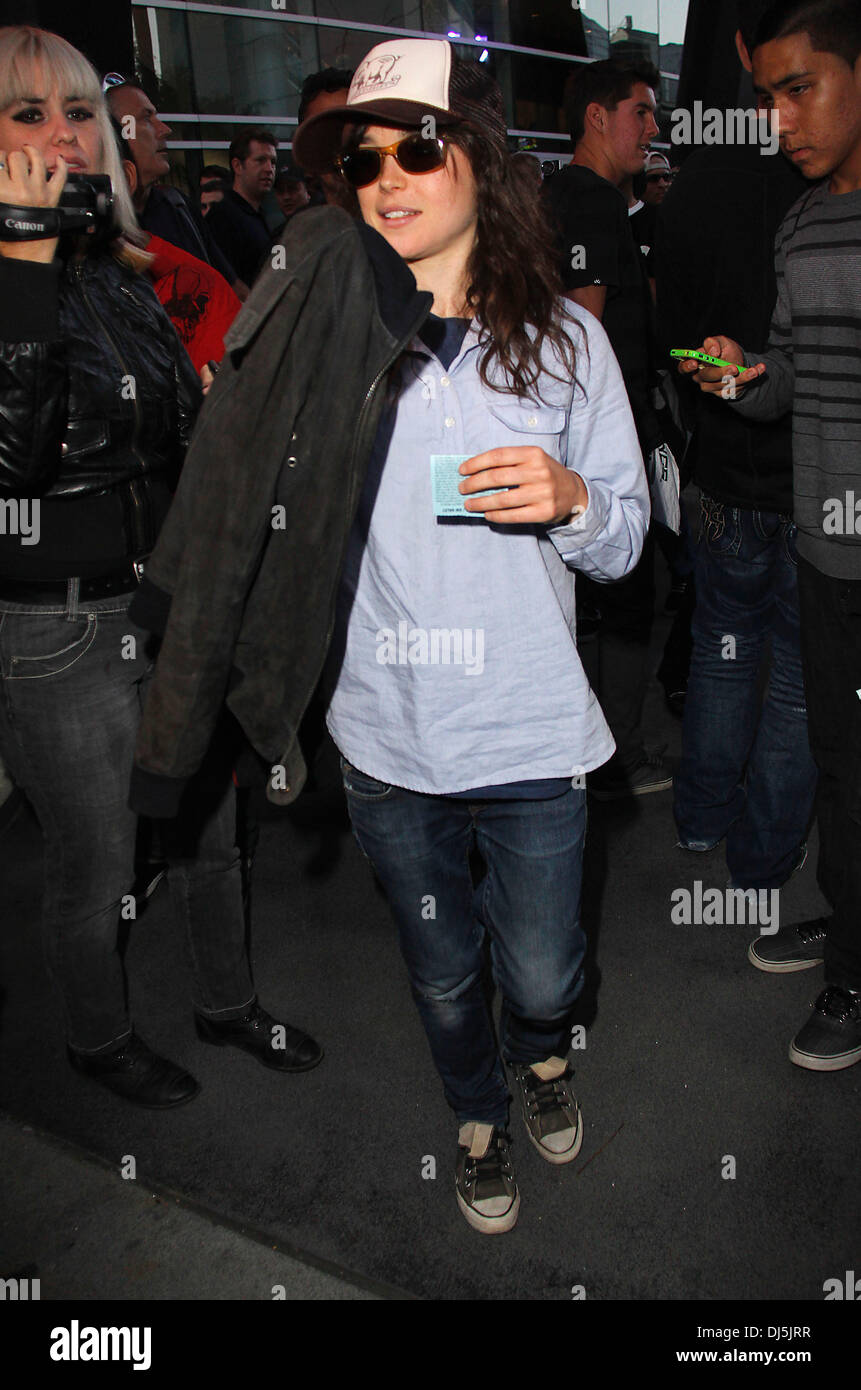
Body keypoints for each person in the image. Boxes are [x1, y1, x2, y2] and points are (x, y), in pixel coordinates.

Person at [290, 37, 649, 1232]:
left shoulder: (565, 343)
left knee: (544, 970)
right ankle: (480, 1114)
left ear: (480, 165)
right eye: (364, 157)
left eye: (418, 148)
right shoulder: (329, 345)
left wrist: (575, 498)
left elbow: (628, 539)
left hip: (533, 730)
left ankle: (545, 1053)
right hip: (389, 741)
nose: (387, 176)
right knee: (444, 974)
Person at [0, 25, 321, 1106]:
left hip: (165, 598)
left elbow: (176, 426)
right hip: (59, 625)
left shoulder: (114, 262)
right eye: (27, 114)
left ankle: (226, 1004)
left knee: (209, 825)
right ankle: (97, 1037)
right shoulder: (25, 268)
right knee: (95, 864)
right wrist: (20, 258)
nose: (64, 136)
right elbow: (14, 458)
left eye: (79, 112)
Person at [680, 0, 861, 1071]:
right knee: (838, 765)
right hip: (821, 549)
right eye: (768, 94)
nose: (779, 117)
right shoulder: (799, 223)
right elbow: (789, 382)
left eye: (801, 90)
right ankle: (850, 937)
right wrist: (740, 376)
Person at [656, 0, 816, 895]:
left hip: (721, 468)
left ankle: (698, 823)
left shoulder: (694, 191)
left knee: (723, 648)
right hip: (805, 481)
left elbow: (674, 342)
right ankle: (757, 859)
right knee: (790, 676)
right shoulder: (827, 184)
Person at [542, 57, 675, 800]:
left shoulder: (557, 196)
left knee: (591, 599)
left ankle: (588, 746)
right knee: (631, 591)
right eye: (640, 112)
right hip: (602, 444)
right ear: (597, 117)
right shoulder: (590, 202)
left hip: (573, 449)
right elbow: (578, 335)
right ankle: (615, 757)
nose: (652, 130)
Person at [103, 78, 246, 299]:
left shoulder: (178, 206)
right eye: (146, 118)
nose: (165, 130)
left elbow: (229, 287)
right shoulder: (100, 230)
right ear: (113, 137)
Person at [204, 126, 278, 288]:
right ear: (237, 166)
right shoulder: (223, 217)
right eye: (260, 160)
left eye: (273, 162)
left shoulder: (263, 215)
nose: (269, 169)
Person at [293, 67, 358, 214]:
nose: (338, 142)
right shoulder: (299, 233)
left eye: (347, 126)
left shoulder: (404, 222)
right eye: (323, 132)